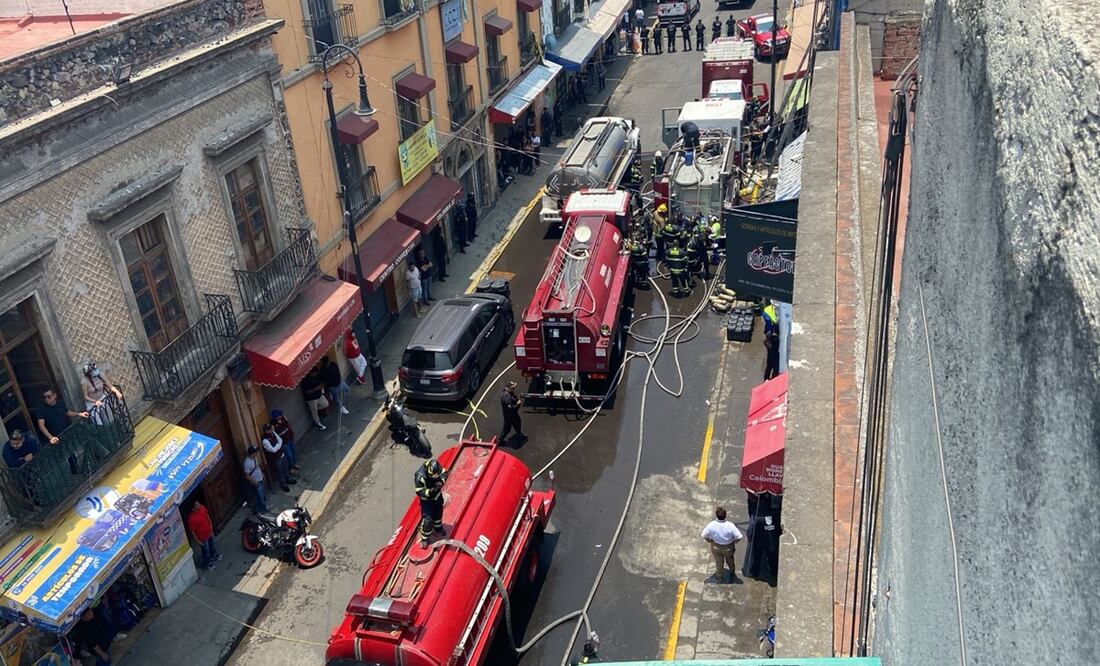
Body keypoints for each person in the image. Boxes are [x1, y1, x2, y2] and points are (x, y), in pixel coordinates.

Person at [701, 506, 743, 583]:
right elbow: (739, 536)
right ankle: (732, 571)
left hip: (716, 546)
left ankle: (719, 577)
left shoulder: (711, 525)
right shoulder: (730, 525)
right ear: (725, 515)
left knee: (719, 562)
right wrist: (734, 541)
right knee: (730, 559)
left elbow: (704, 535)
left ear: (716, 515)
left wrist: (710, 541)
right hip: (728, 547)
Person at [414, 458, 447, 548]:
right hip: (427, 501)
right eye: (434, 476)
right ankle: (425, 537)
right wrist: (431, 491)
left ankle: (438, 528)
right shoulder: (420, 476)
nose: (435, 477)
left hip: (437, 497)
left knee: (438, 513)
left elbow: (444, 473)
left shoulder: (437, 468)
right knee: (428, 519)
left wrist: (441, 482)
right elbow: (419, 492)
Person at [186, 501, 220, 570]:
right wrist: (198, 541)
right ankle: (208, 563)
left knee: (212, 545)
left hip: (209, 532)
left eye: (198, 503)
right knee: (205, 551)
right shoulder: (191, 519)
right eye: (196, 505)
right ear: (193, 509)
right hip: (202, 538)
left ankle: (213, 555)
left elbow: (207, 515)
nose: (199, 504)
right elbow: (193, 532)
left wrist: (211, 525)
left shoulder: (202, 508)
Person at [261, 422, 292, 492]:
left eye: (271, 428)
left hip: (281, 454)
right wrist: (279, 445)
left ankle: (288, 479)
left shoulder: (273, 433)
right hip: (276, 458)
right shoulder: (265, 440)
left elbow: (280, 440)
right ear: (266, 431)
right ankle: (283, 484)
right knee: (280, 472)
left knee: (285, 467)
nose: (272, 430)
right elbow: (273, 450)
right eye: (270, 429)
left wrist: (278, 445)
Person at [269, 410, 299, 474]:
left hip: (290, 438)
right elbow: (275, 434)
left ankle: (295, 464)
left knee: (293, 452)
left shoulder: (284, 418)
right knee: (289, 455)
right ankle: (291, 467)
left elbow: (289, 425)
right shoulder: (273, 424)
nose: (280, 415)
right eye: (279, 415)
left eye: (280, 414)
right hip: (285, 443)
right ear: (275, 417)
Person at [302, 365, 329, 431]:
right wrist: (315, 389)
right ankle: (318, 424)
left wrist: (322, 385)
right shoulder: (306, 380)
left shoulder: (317, 376)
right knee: (314, 412)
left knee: (325, 404)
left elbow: (322, 382)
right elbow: (307, 391)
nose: (315, 374)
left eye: (316, 373)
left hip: (319, 395)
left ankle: (311, 411)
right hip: (311, 398)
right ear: (310, 373)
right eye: (314, 373)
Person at [242, 445, 268, 513]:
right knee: (259, 496)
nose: (257, 453)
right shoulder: (247, 463)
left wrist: (262, 474)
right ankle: (262, 509)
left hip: (260, 479)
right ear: (252, 453)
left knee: (262, 494)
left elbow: (257, 467)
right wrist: (255, 482)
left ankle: (263, 507)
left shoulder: (254, 459)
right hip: (256, 482)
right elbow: (247, 476)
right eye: (255, 452)